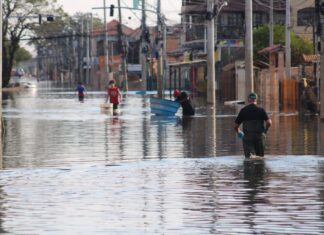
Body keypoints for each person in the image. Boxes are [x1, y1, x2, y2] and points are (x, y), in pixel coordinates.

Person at [234, 92, 272, 159]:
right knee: (260, 158)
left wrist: (239, 132)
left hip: (247, 137)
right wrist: (265, 132)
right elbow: (269, 123)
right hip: (259, 137)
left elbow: (235, 126)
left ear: (249, 100)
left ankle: (249, 168)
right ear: (256, 100)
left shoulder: (243, 110)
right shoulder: (261, 110)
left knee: (249, 158)